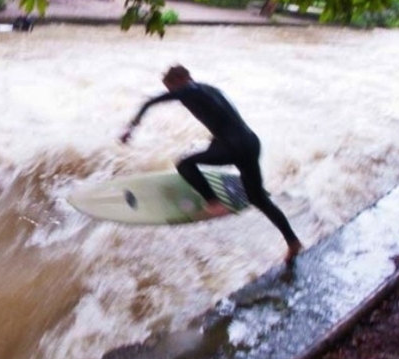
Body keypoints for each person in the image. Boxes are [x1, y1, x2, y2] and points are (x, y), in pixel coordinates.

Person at [120, 65, 302, 263]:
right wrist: (215, 144)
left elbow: (150, 102)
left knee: (184, 165)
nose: (174, 95)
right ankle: (293, 242)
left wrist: (131, 128)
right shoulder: (210, 89)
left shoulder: (188, 90)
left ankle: (214, 202)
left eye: (172, 89)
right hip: (250, 142)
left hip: (234, 147)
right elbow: (225, 122)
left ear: (180, 80)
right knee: (258, 199)